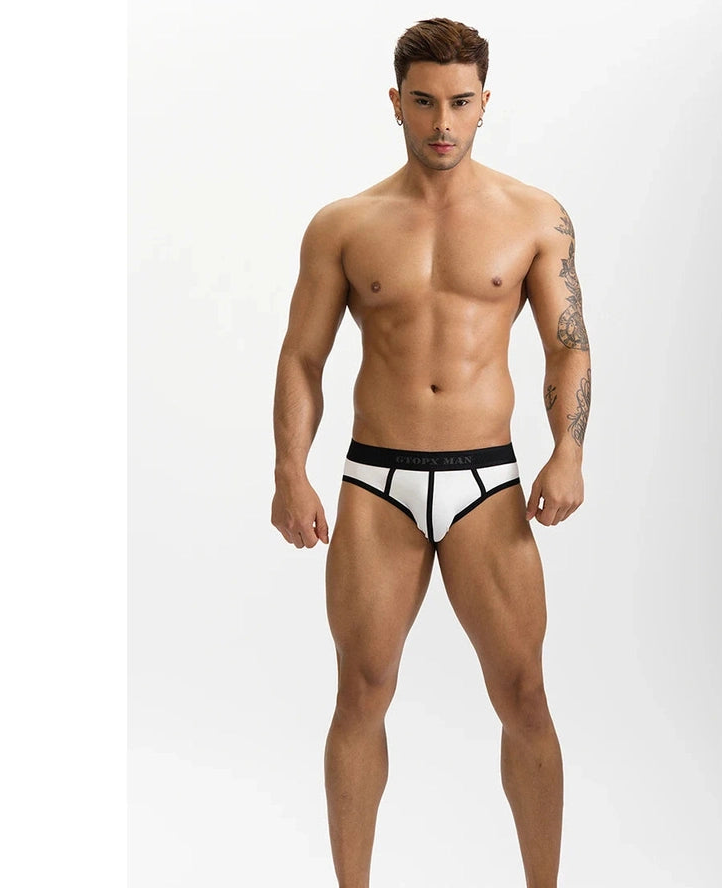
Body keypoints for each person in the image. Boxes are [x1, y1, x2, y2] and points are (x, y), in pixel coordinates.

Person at [271, 18, 592, 888]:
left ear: (485, 102)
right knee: (362, 691)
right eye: (423, 102)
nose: (442, 123)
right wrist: (290, 471)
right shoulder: (344, 225)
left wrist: (567, 452)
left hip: (487, 481)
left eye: (459, 102)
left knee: (523, 694)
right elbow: (303, 357)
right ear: (396, 103)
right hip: (377, 482)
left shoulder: (535, 217)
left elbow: (567, 347)